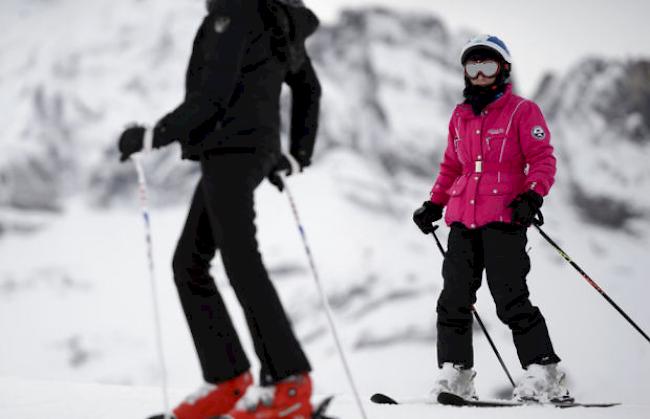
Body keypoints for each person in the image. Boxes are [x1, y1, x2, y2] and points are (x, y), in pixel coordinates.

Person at [117, 1, 321, 418]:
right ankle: (228, 380)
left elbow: (214, 94)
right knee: (189, 263)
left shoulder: (237, 12)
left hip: (230, 148)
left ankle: (289, 383)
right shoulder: (274, 16)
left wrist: (154, 134)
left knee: (239, 262)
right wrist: (296, 154)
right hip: (244, 149)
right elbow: (308, 88)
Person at [412, 34, 571, 403]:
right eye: (473, 66)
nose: (480, 74)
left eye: (488, 65)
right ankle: (456, 376)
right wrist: (434, 203)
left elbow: (543, 158)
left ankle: (544, 374)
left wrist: (532, 195)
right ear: (465, 73)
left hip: (505, 219)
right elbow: (453, 165)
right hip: (463, 221)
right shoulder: (460, 116)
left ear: (504, 69)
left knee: (510, 298)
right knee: (453, 299)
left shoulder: (522, 110)